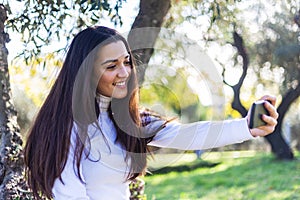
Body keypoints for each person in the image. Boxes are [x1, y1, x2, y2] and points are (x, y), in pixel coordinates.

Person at [24, 26, 278, 200]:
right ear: (85, 72)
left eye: (126, 62)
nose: (124, 73)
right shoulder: (64, 128)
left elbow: (187, 135)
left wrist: (247, 127)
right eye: (112, 66)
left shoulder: (127, 119)